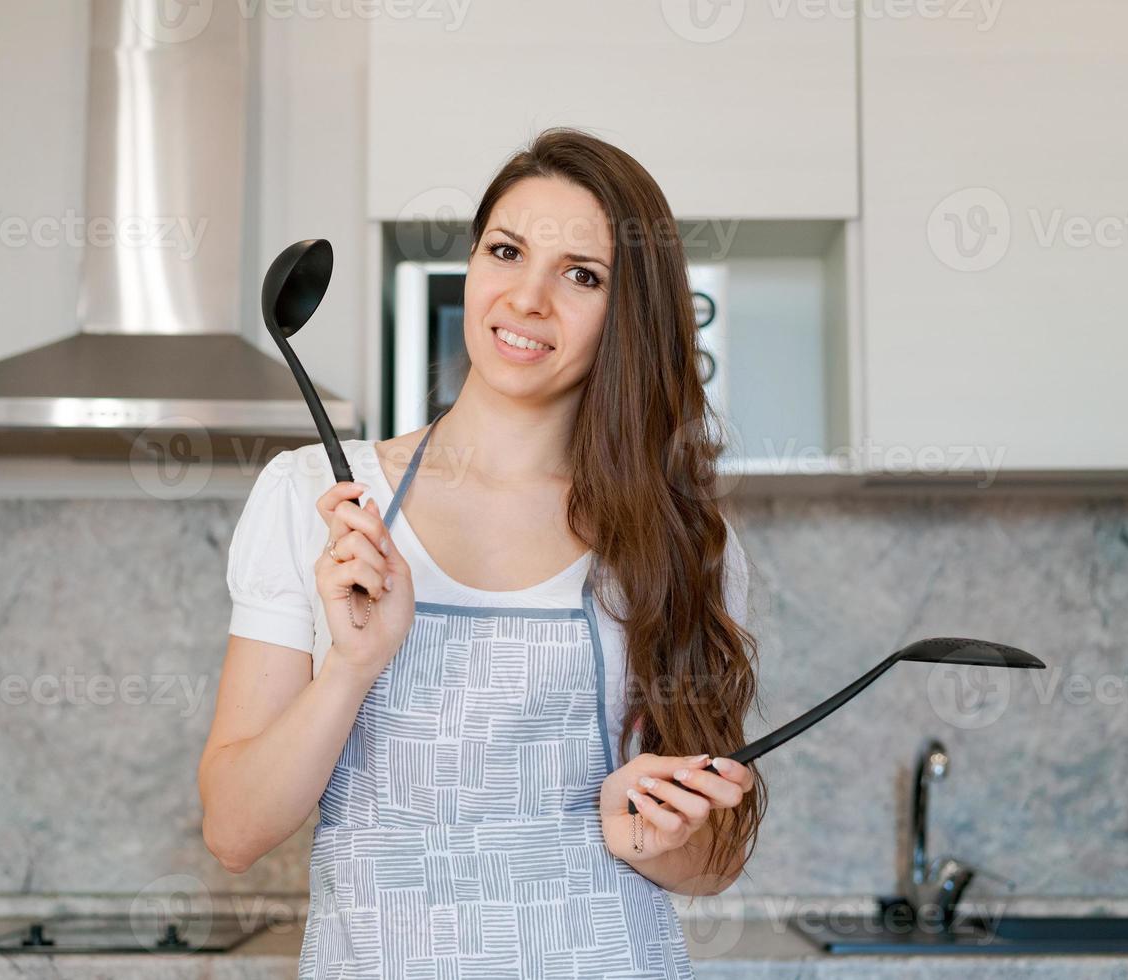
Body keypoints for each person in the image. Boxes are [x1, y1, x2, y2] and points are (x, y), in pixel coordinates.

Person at [199, 127, 764, 978]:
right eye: (506, 251)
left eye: (582, 274)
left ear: (629, 312)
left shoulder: (677, 537)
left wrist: (650, 835)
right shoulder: (315, 497)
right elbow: (235, 831)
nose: (527, 299)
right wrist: (352, 666)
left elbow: (714, 860)